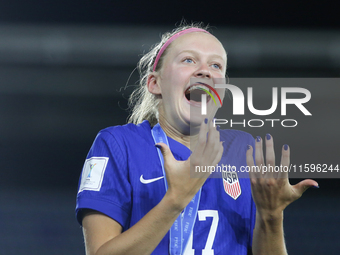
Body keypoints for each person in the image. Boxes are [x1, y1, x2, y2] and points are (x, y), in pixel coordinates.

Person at [75, 23, 318, 255]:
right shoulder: (118, 145)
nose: (205, 71)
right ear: (155, 83)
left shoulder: (244, 150)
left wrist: (271, 215)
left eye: (216, 66)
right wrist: (176, 199)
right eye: (188, 60)